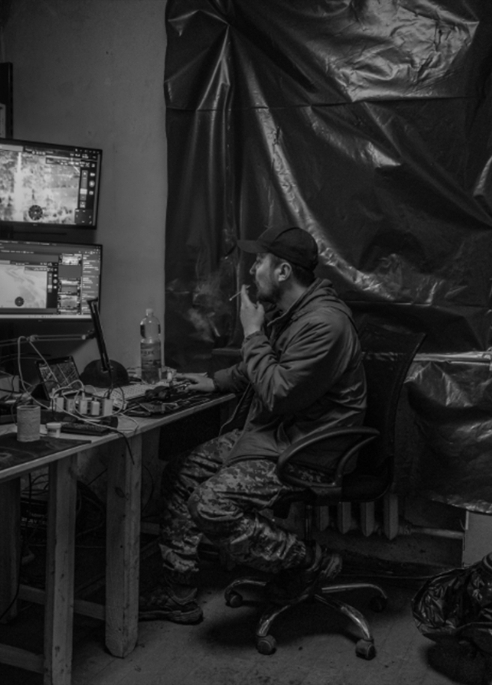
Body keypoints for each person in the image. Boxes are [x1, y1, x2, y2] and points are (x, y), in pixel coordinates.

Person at [139, 225, 367, 624]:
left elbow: (278, 390)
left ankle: (308, 561)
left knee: (209, 503)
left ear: (282, 272)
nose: (252, 270)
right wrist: (213, 380)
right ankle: (178, 591)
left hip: (309, 448)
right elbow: (265, 365)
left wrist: (252, 331)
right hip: (277, 435)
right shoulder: (296, 314)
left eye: (259, 261)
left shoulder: (324, 324)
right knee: (182, 472)